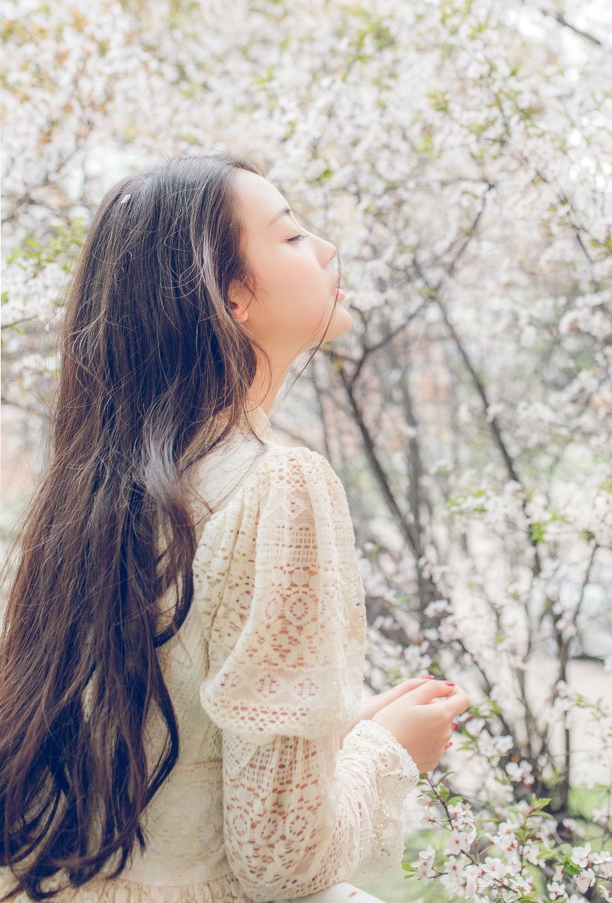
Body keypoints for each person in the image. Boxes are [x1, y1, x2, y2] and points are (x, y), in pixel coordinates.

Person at [0, 154, 470, 902]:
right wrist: (390, 752)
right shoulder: (279, 482)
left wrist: (338, 732)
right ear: (233, 296)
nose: (326, 250)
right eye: (290, 237)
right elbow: (283, 860)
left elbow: (172, 752)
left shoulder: (93, 488)